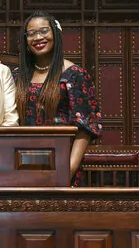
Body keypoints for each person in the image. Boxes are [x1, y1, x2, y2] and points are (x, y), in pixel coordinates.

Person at [14, 10, 102, 186]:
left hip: (62, 163)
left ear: (56, 33)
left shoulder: (74, 75)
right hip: (22, 162)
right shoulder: (17, 76)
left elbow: (86, 128)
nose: (38, 37)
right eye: (31, 34)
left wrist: (67, 171)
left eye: (44, 31)